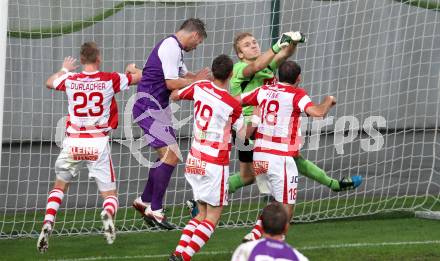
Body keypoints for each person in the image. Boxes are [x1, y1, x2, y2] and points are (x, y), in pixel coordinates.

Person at [37, 41, 142, 252]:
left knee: (59, 187)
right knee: (110, 196)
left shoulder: (70, 79)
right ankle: (107, 213)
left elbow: (49, 82)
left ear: (82, 59)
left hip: (73, 142)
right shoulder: (110, 79)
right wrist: (133, 69)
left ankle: (48, 221)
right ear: (99, 58)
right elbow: (139, 78)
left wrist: (65, 68)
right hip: (97, 143)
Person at [240, 60, 361, 242]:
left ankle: (255, 235)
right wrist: (329, 101)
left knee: (275, 202)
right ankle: (271, 248)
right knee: (286, 208)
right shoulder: (297, 94)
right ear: (299, 78)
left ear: (279, 75)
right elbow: (318, 113)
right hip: (279, 157)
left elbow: (237, 101)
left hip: (259, 156)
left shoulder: (263, 90)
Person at [227, 32, 360, 195]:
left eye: (254, 42)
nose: (254, 45)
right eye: (247, 45)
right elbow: (256, 67)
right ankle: (332, 185)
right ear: (240, 54)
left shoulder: (268, 66)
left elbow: (284, 53)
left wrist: (293, 42)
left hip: (264, 124)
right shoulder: (239, 68)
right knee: (289, 159)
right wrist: (277, 45)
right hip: (248, 125)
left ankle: (206, 198)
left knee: (248, 176)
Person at [131, 18, 210, 229]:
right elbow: (171, 83)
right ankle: (155, 209)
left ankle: (145, 200)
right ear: (194, 35)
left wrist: (205, 81)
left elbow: (185, 76)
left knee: (168, 156)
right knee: (171, 156)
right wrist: (197, 82)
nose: (197, 46)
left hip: (157, 109)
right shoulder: (170, 47)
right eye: (199, 42)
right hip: (149, 107)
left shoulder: (177, 49)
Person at [168, 54, 245, 261]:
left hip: (194, 158)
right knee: (212, 217)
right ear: (230, 75)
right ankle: (184, 257)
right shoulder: (232, 105)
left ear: (212, 71)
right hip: (214, 163)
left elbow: (174, 95)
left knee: (200, 214)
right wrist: (254, 117)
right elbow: (245, 135)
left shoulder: (200, 87)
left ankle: (178, 253)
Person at [231, 202, 308, 261]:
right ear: (286, 228)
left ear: (261, 225)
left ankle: (255, 233)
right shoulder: (299, 257)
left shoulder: (244, 250)